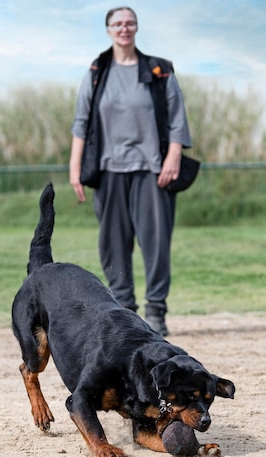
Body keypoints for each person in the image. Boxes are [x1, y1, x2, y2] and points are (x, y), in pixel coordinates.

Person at [69, 6, 192, 337]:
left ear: (136, 28)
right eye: (118, 24)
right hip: (109, 170)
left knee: (156, 243)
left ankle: (157, 312)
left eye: (130, 23)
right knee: (113, 245)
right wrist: (74, 167)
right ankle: (124, 311)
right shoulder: (97, 72)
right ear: (108, 30)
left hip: (154, 170)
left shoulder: (158, 70)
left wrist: (173, 156)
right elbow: (80, 123)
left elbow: (177, 117)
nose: (124, 28)